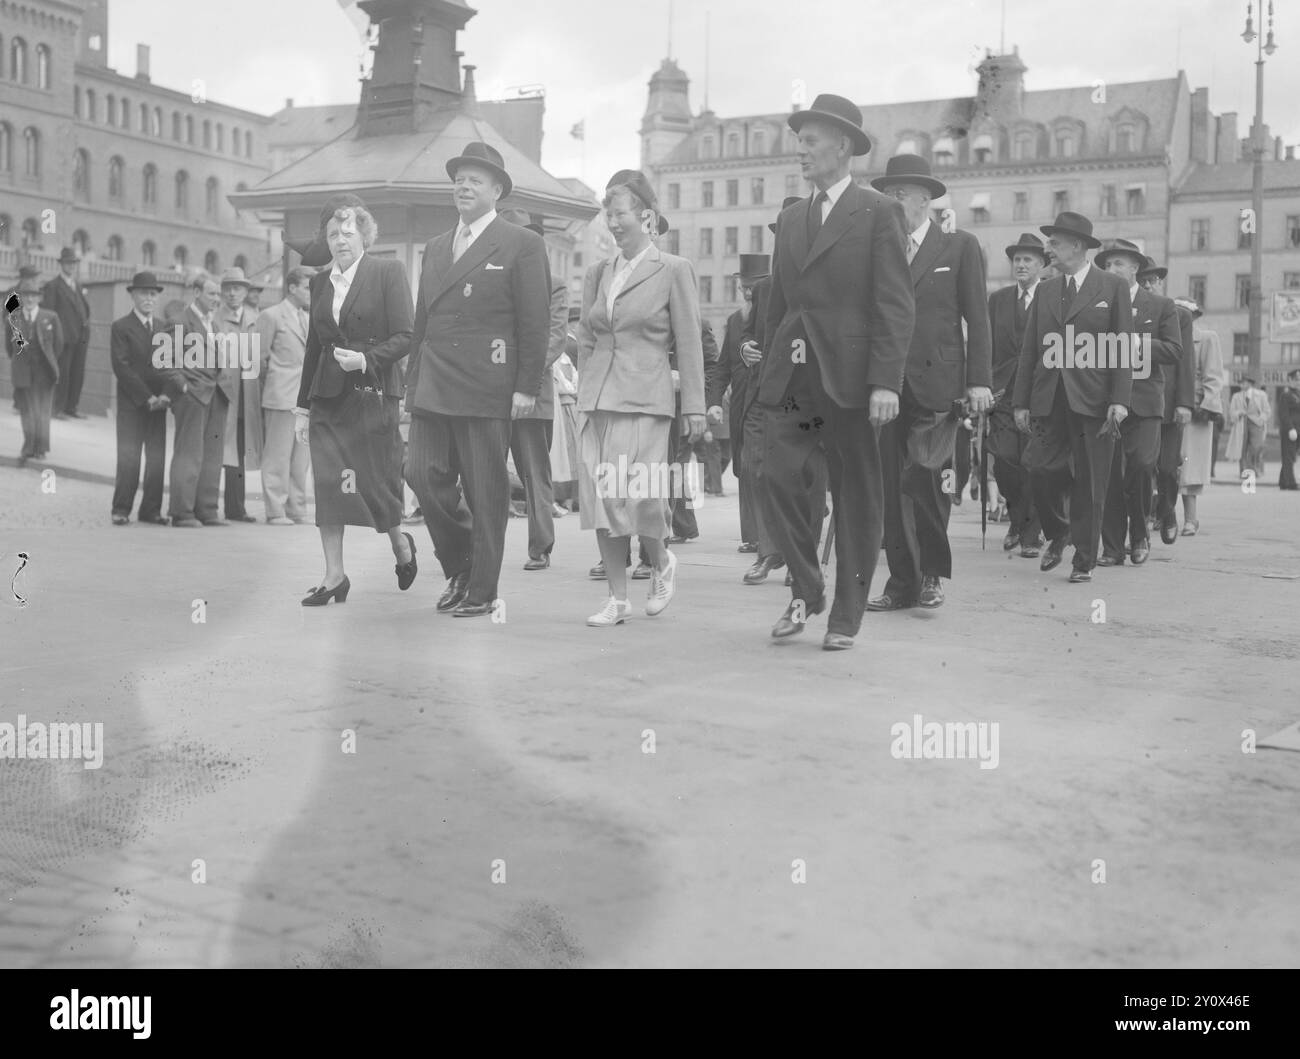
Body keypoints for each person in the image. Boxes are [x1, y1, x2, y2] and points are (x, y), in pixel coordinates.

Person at [758, 93, 914, 649]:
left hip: (852, 382)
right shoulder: (792, 217)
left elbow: (894, 303)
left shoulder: (877, 211)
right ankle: (806, 585)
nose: (800, 151)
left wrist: (885, 382)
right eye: (798, 141)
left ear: (842, 146)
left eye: (809, 141)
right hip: (797, 381)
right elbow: (780, 304)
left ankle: (845, 616)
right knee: (773, 475)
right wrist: (767, 362)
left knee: (856, 497)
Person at [404, 142, 550, 617]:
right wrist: (411, 385)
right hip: (435, 383)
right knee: (421, 475)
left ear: (498, 191)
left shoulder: (521, 244)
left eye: (475, 180)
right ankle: (461, 564)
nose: (463, 186)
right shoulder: (437, 246)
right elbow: (422, 321)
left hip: (489, 385)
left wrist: (527, 386)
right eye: (459, 180)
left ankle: (483, 591)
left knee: (487, 492)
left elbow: (534, 322)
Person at [575, 169, 705, 626]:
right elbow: (587, 337)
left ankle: (662, 560)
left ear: (646, 217)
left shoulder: (672, 269)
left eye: (621, 213)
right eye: (607, 214)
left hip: (648, 396)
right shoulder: (597, 273)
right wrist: (583, 387)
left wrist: (694, 406)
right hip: (598, 396)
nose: (612, 222)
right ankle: (617, 598)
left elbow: (688, 342)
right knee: (602, 499)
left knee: (643, 495)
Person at [869, 153, 992, 612]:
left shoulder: (958, 246)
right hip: (886, 383)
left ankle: (933, 575)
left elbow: (977, 320)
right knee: (890, 485)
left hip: (939, 384)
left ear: (925, 198)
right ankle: (903, 583)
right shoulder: (878, 248)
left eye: (900, 194)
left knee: (926, 475)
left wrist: (979, 380)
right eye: (887, 194)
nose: (892, 201)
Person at [294, 194, 417, 605]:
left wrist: (366, 359)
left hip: (373, 391)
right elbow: (314, 347)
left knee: (375, 478)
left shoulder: (387, 272)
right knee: (329, 483)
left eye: (348, 231)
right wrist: (301, 408)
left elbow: (405, 336)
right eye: (333, 233)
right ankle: (334, 576)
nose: (340, 239)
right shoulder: (318, 283)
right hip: (328, 396)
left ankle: (400, 544)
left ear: (364, 235)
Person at [1013, 211, 1133, 583]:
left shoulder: (1111, 287)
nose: (1049, 249)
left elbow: (1123, 348)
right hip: (1049, 398)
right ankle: (1059, 530)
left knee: (1092, 482)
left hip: (1095, 400)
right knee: (1038, 468)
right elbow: (1030, 351)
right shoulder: (1047, 290)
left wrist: (1120, 399)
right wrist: (1021, 401)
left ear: (1078, 247)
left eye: (1055, 243)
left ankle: (1084, 559)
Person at [1095, 239, 1185, 568]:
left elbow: (1175, 351)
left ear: (1135, 268)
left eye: (1118, 264)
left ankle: (1140, 534)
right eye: (1106, 265)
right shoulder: (1097, 304)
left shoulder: (1161, 305)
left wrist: (1135, 342)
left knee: (1142, 466)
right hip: (1106, 404)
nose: (1111, 270)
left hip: (1146, 403)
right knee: (1110, 476)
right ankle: (1113, 547)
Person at [499, 208, 569, 571]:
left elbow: (553, 341)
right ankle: (475, 546)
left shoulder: (554, 284)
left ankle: (540, 546)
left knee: (533, 472)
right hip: (491, 393)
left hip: (532, 394)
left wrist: (519, 382)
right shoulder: (495, 281)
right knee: (481, 470)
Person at [986, 233, 1048, 558]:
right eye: (1017, 260)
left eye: (1028, 260)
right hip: (1003, 394)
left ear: (1042, 265)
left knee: (1034, 464)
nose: (1021, 265)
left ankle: (1030, 534)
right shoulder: (998, 300)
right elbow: (987, 345)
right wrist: (983, 384)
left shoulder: (1053, 298)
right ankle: (1015, 517)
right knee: (1006, 462)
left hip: (1041, 393)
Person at [164, 272, 237, 527]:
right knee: (189, 454)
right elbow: (166, 361)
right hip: (194, 396)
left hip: (216, 395)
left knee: (212, 456)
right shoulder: (180, 321)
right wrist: (184, 388)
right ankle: (182, 512)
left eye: (218, 294)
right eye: (212, 293)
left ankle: (206, 510)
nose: (218, 298)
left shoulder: (212, 323)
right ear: (196, 293)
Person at [1140, 260, 1195, 543]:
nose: (1148, 285)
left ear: (1161, 283)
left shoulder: (1179, 316)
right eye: (1142, 281)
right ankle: (1145, 522)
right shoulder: (1131, 313)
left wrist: (1186, 402)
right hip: (1143, 402)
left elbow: (1185, 362)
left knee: (1167, 468)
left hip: (1172, 405)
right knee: (1142, 466)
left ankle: (1168, 511)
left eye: (1152, 280)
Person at [109, 271, 170, 525]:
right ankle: (121, 509)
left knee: (156, 459)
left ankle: (151, 510)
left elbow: (170, 365)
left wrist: (166, 394)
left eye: (153, 294)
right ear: (133, 295)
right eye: (144, 293)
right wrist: (147, 397)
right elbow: (122, 367)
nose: (148, 298)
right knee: (129, 458)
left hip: (159, 404)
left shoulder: (163, 328)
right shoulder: (121, 327)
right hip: (133, 404)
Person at [256, 266, 314, 524]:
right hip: (281, 396)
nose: (311, 293)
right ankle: (275, 510)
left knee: (300, 458)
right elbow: (258, 359)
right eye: (306, 287)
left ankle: (297, 507)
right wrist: (275, 383)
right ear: (291, 287)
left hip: (305, 400)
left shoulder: (308, 318)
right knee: (277, 457)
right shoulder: (271, 316)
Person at [216, 267, 263, 522]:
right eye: (227, 288)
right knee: (222, 451)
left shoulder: (256, 319)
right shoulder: (215, 319)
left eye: (237, 288)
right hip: (225, 396)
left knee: (241, 452)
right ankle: (210, 505)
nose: (232, 293)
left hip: (248, 397)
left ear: (246, 292)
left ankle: (237, 508)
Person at [1174, 299, 1224, 534]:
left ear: (1194, 316)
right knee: (1167, 465)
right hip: (1171, 408)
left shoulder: (1206, 338)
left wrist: (1208, 405)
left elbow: (1213, 375)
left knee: (1190, 467)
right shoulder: (1170, 338)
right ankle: (1161, 515)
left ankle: (1190, 519)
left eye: (1186, 314)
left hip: (1196, 411)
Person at [6, 273, 63, 466]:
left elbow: (58, 345)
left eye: (34, 295)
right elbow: (9, 346)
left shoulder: (50, 317)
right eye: (26, 295)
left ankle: (41, 448)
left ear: (40, 297)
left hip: (44, 371)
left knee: (42, 410)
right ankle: (28, 446)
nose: (30, 299)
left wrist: (48, 362)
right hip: (23, 371)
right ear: (21, 297)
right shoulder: (15, 318)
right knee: (26, 410)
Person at [41, 247, 91, 419]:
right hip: (63, 338)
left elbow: (83, 309)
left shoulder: (77, 285)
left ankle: (71, 407)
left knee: (77, 373)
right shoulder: (53, 286)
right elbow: (48, 313)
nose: (71, 266)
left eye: (73, 263)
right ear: (61, 264)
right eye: (68, 263)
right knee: (62, 372)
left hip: (81, 338)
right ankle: (56, 409)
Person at [1226, 377, 1270, 479]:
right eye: (1240, 383)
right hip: (1241, 424)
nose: (1241, 385)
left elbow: (1267, 410)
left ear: (1250, 383)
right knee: (1242, 448)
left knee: (1256, 447)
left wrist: (1261, 420)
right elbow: (1232, 412)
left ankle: (1254, 470)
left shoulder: (1261, 395)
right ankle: (1243, 471)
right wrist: (1238, 413)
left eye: (1243, 383)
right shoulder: (1236, 396)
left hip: (1256, 424)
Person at [1278, 368, 1300, 491]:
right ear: (1290, 380)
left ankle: (1283, 481)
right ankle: (1291, 483)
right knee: (1289, 457)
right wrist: (1290, 428)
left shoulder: (1298, 393)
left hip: (1298, 431)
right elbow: (1283, 414)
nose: (1299, 381)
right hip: (1289, 431)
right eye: (1296, 379)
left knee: (1290, 457)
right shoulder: (1285, 394)